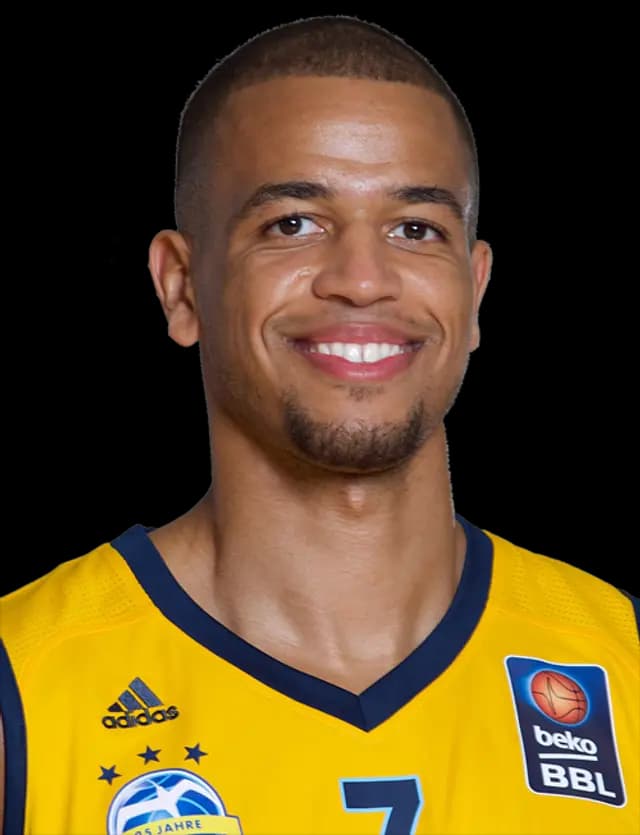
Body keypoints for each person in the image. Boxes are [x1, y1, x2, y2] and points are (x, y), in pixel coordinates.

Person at [0, 14, 638, 835]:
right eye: (292, 223)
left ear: (474, 290)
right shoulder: (26, 683)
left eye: (416, 229)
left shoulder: (618, 660)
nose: (363, 280)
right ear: (181, 287)